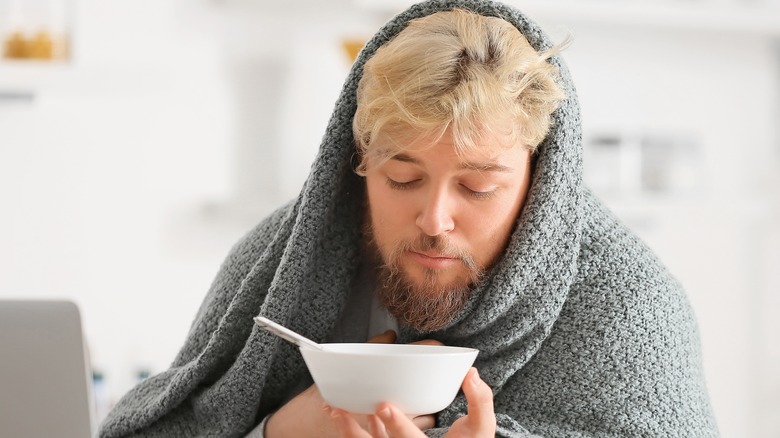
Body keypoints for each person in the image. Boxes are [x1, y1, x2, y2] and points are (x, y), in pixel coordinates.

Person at [99, 1, 719, 437]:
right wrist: (280, 433)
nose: (435, 219)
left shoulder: (629, 307)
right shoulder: (274, 265)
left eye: (478, 187)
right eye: (403, 178)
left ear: (541, 184)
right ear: (358, 159)